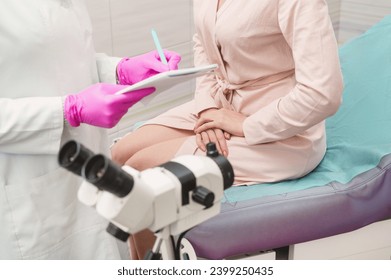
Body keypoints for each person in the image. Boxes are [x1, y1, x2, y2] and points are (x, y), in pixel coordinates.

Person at [111, 0, 344, 259]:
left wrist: (246, 124)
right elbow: (203, 41)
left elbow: (324, 94)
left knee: (145, 174)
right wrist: (208, 108)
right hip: (221, 102)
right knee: (121, 156)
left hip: (284, 127)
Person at [0, 0, 181, 259]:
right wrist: (68, 110)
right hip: (29, 201)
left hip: (88, 173)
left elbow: (60, 60)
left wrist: (119, 71)